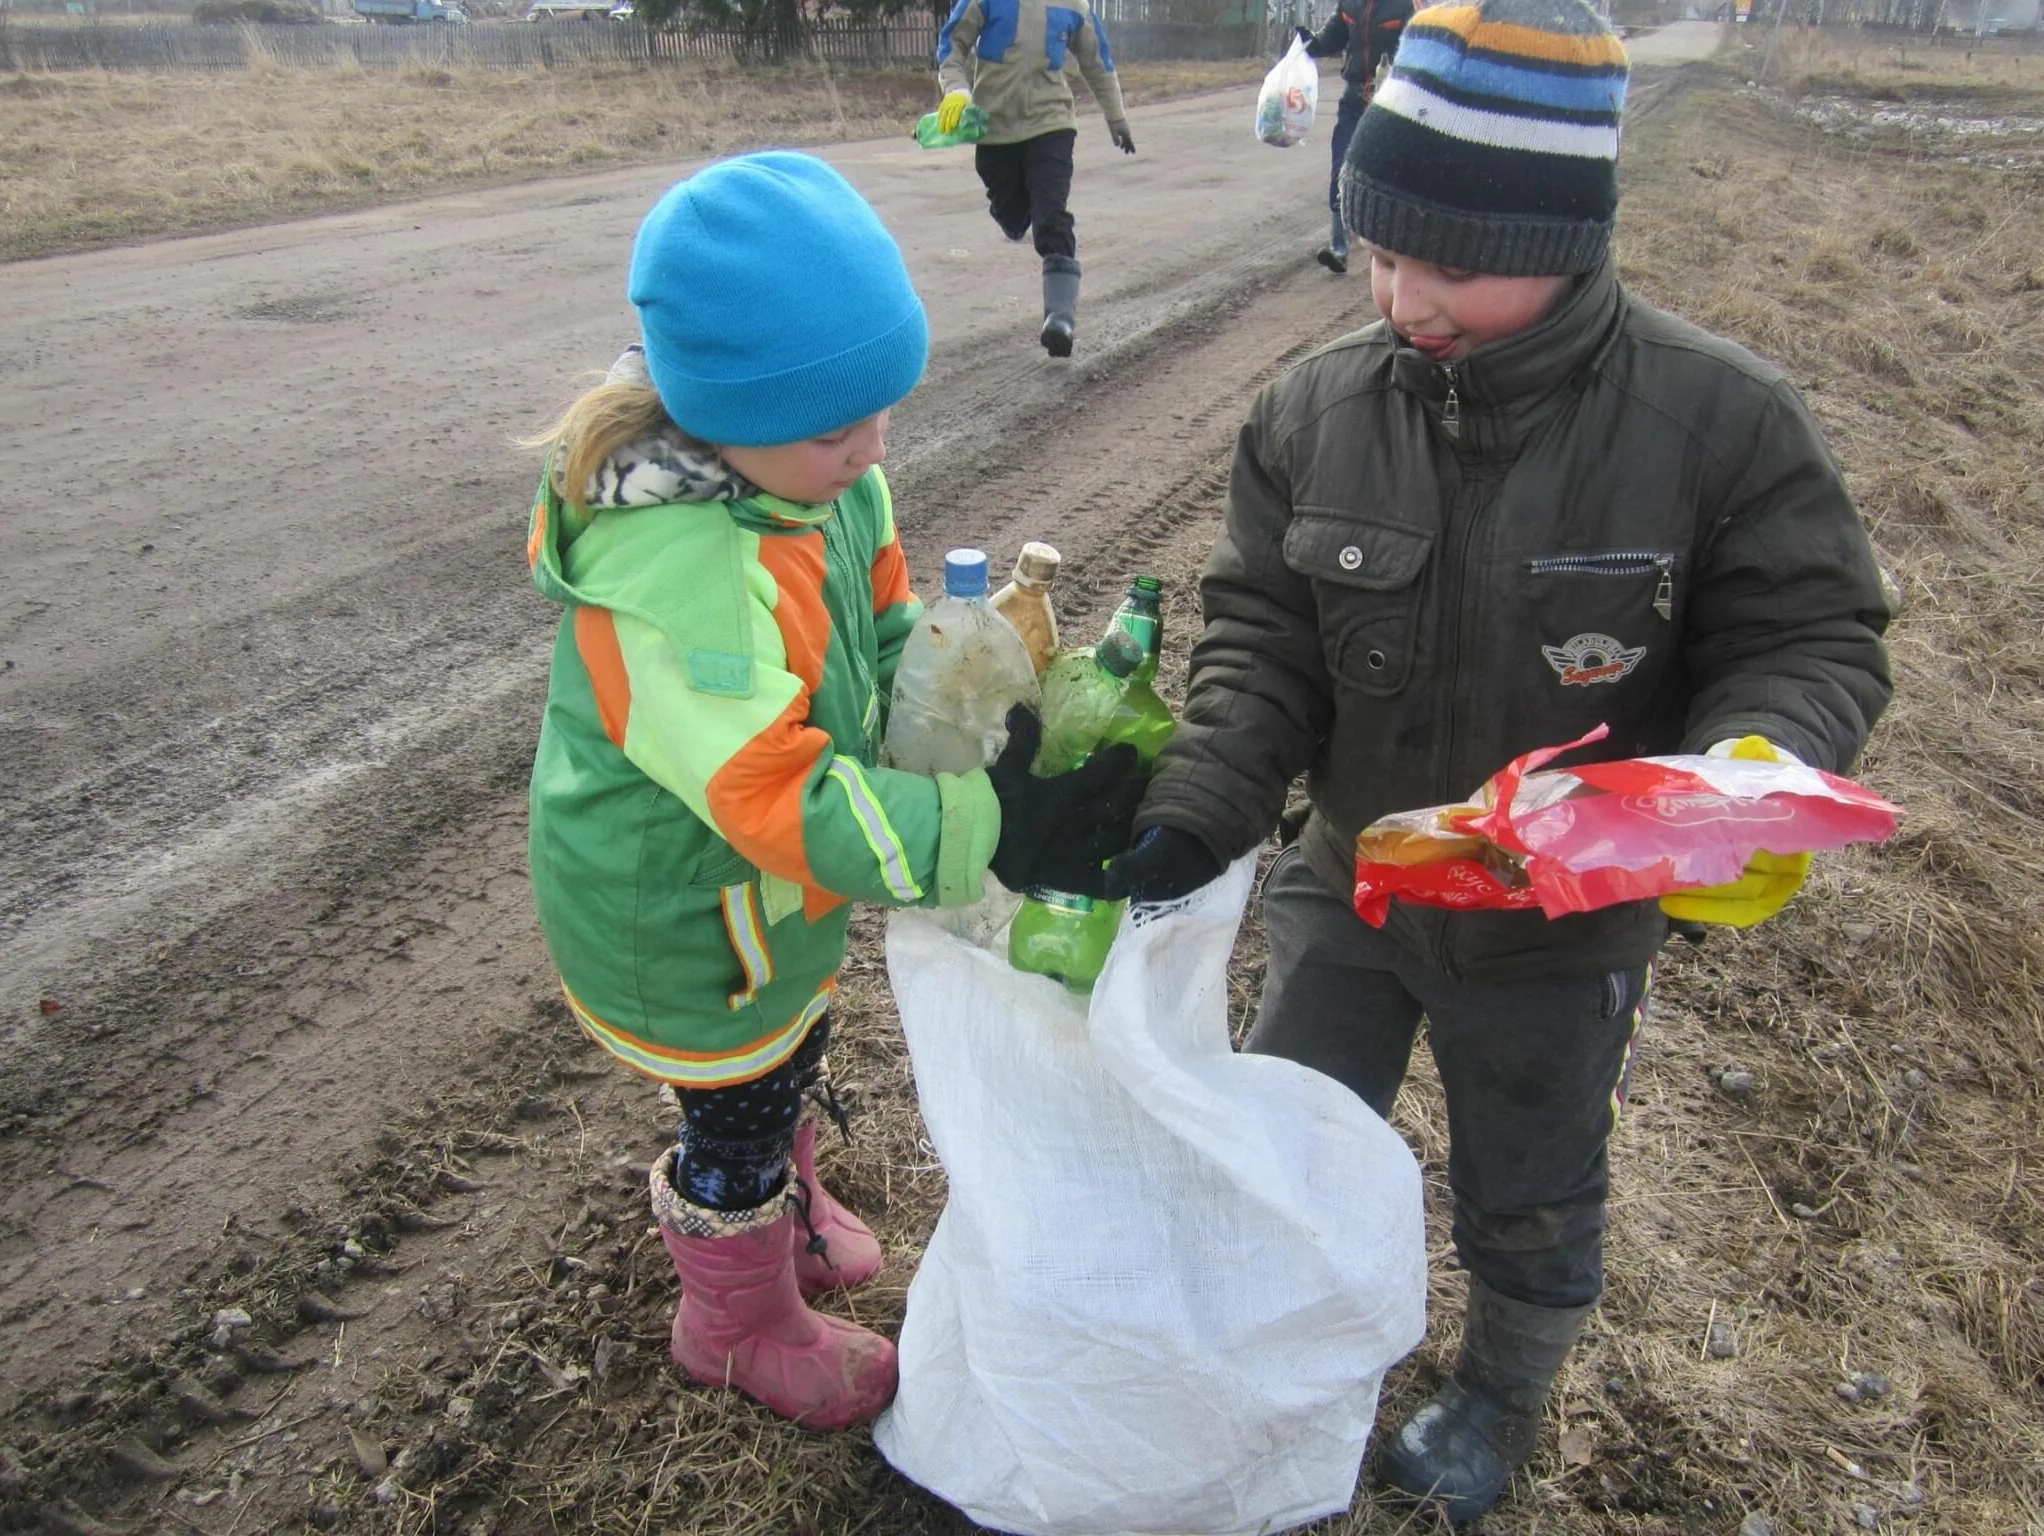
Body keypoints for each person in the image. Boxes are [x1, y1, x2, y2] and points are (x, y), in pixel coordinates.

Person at [1104, 0, 1891, 1521]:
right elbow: (1261, 637)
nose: (1406, 297)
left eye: (1452, 263)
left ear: (1572, 234)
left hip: (1559, 926)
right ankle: (1276, 1351)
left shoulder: (1715, 421)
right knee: (1283, 1134)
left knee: (1529, 1180)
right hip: (1356, 888)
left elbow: (1815, 633)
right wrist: (1200, 809)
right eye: (1383, 253)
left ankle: (1503, 1389)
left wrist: (1749, 761)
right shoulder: (1313, 412)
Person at [523, 152, 1144, 1433]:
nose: (870, 453)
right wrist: (984, 824)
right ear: (715, 407)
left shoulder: (817, 482)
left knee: (796, 1043)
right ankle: (734, 1321)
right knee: (735, 1110)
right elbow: (773, 789)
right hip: (679, 916)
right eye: (836, 428)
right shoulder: (676, 585)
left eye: (882, 416)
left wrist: (959, 699)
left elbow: (874, 627)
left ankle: (786, 1218)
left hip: (760, 901)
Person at [932, 0, 1138, 358]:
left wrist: (1116, 118)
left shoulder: (1074, 4)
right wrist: (957, 89)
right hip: (995, 131)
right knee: (1011, 213)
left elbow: (1096, 59)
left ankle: (1060, 318)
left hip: (1052, 124)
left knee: (1051, 214)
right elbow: (953, 43)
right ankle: (1016, 215)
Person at [1294, 0, 1413, 275]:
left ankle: (1395, 252)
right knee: (1341, 169)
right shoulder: (1350, 5)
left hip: (1393, 104)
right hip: (1354, 101)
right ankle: (1339, 249)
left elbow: (1421, 50)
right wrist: (1306, 42)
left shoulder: (1407, 7)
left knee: (1389, 178)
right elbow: (1327, 43)